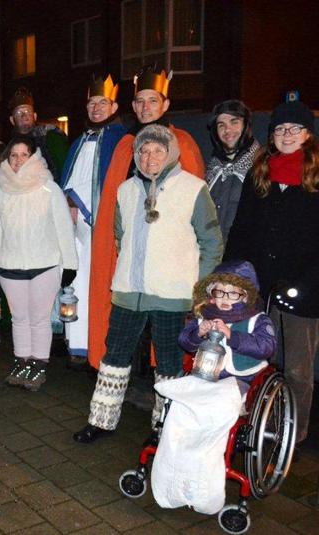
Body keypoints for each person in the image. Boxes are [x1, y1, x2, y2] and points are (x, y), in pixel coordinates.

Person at [74, 125, 223, 443]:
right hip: (129, 291)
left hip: (173, 294)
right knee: (114, 354)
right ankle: (101, 419)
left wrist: (198, 287)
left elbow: (212, 242)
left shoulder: (193, 188)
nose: (149, 156)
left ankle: (165, 427)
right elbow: (120, 235)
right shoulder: (126, 190)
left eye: (157, 150)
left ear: (170, 153)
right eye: (143, 151)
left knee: (168, 361)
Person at [86, 65, 205, 373]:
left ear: (165, 104)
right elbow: (116, 204)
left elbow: (194, 213)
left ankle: (164, 413)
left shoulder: (184, 144)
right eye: (140, 101)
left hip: (167, 264)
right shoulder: (126, 145)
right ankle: (108, 412)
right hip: (130, 258)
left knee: (166, 348)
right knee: (121, 337)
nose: (145, 107)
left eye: (152, 100)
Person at [225, 99, 319, 444]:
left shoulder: (315, 176)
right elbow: (242, 229)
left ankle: (292, 433)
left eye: (295, 128)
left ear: (308, 134)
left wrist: (304, 284)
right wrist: (232, 274)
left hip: (304, 292)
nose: (287, 134)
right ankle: (257, 423)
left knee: (296, 367)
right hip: (260, 286)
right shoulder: (261, 174)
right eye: (280, 129)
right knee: (256, 355)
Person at [151, 260, 276, 515]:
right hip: (204, 378)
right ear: (211, 292)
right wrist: (199, 332)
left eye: (233, 293)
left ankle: (204, 484)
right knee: (179, 411)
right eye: (219, 292)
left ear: (245, 293)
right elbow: (185, 341)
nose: (224, 300)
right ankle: (174, 477)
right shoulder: (203, 314)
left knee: (213, 414)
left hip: (238, 382)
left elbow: (267, 347)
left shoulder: (257, 319)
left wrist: (233, 337)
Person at [0, 136, 77, 390]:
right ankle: (22, 360)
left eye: (23, 155)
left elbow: (63, 229)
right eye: (13, 155)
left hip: (44, 264)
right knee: (19, 318)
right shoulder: (2, 191)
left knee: (40, 318)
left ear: (33, 157)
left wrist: (70, 264)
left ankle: (39, 364)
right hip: (9, 265)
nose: (17, 160)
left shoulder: (49, 189)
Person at [60, 75, 126, 369]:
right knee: (75, 281)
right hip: (76, 226)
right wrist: (69, 202)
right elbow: (69, 181)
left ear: (114, 105)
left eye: (102, 102)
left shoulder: (121, 140)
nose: (96, 108)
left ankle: (98, 344)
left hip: (102, 227)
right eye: (92, 103)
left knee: (99, 285)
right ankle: (76, 342)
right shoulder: (78, 141)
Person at [206, 100, 260, 243]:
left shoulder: (261, 168)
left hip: (244, 258)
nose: (228, 130)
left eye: (234, 122)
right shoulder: (213, 170)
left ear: (246, 125)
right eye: (221, 125)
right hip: (213, 256)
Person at [8, 87, 69, 183]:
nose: (24, 115)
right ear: (12, 120)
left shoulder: (51, 137)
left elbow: (65, 169)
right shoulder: (9, 149)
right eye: (19, 112)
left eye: (28, 111)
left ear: (35, 116)